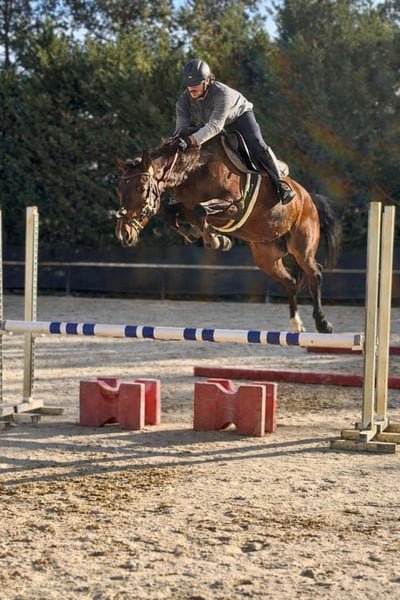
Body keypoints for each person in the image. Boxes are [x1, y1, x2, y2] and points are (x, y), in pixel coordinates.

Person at [174, 58, 295, 204]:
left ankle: (281, 184)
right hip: (215, 124)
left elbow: (215, 126)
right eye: (188, 85)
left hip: (239, 116)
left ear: (207, 81)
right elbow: (181, 130)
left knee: (256, 143)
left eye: (196, 84)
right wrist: (178, 141)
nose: (191, 89)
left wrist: (191, 140)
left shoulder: (222, 93)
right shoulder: (183, 101)